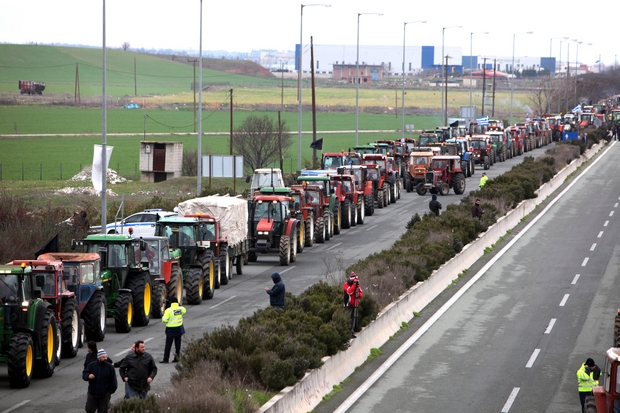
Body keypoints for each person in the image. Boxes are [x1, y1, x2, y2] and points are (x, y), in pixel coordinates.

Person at [82, 349, 117, 413]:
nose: (105, 358)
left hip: (104, 395)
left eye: (106, 357)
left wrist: (109, 392)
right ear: (99, 358)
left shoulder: (110, 367)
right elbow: (84, 374)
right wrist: (88, 376)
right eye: (103, 357)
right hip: (92, 394)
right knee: (89, 410)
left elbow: (113, 381)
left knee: (103, 411)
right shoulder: (92, 365)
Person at [161, 297, 186, 364]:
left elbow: (164, 320)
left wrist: (164, 317)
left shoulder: (168, 310)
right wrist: (179, 306)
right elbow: (184, 310)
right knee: (178, 345)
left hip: (170, 329)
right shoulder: (181, 309)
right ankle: (177, 358)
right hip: (179, 329)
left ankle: (166, 359)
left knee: (168, 345)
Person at [343, 272, 364, 338]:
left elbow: (361, 294)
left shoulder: (357, 285)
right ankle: (347, 333)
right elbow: (349, 292)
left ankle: (352, 332)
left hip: (355, 304)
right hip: (348, 305)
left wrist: (358, 293)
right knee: (348, 319)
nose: (356, 282)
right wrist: (354, 285)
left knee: (353, 319)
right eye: (355, 280)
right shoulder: (346, 284)